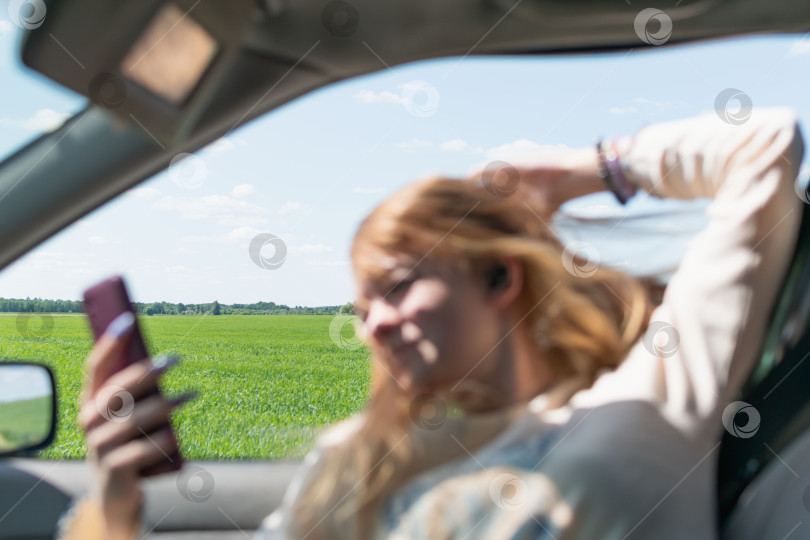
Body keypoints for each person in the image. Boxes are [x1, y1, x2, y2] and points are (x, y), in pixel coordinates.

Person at [59, 107, 804, 540]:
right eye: (359, 308)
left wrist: (584, 170)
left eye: (398, 289)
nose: (372, 326)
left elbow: (763, 143)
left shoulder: (648, 399)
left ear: (499, 278)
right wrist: (116, 501)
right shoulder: (361, 456)